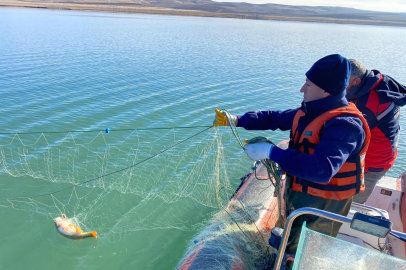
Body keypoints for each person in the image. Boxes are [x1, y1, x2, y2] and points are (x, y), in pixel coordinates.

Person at [213, 54, 371, 253]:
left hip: (323, 206)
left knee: (305, 251)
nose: (302, 89)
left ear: (326, 91)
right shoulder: (312, 110)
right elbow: (274, 118)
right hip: (300, 194)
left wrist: (271, 152)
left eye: (308, 84)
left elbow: (322, 170)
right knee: (291, 237)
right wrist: (236, 120)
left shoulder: (346, 125)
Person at [346, 59, 406, 204]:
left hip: (373, 163)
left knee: (350, 203)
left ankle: (344, 220)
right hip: (385, 150)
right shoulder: (379, 81)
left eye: (342, 81)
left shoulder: (367, 106)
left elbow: (345, 136)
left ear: (356, 82)